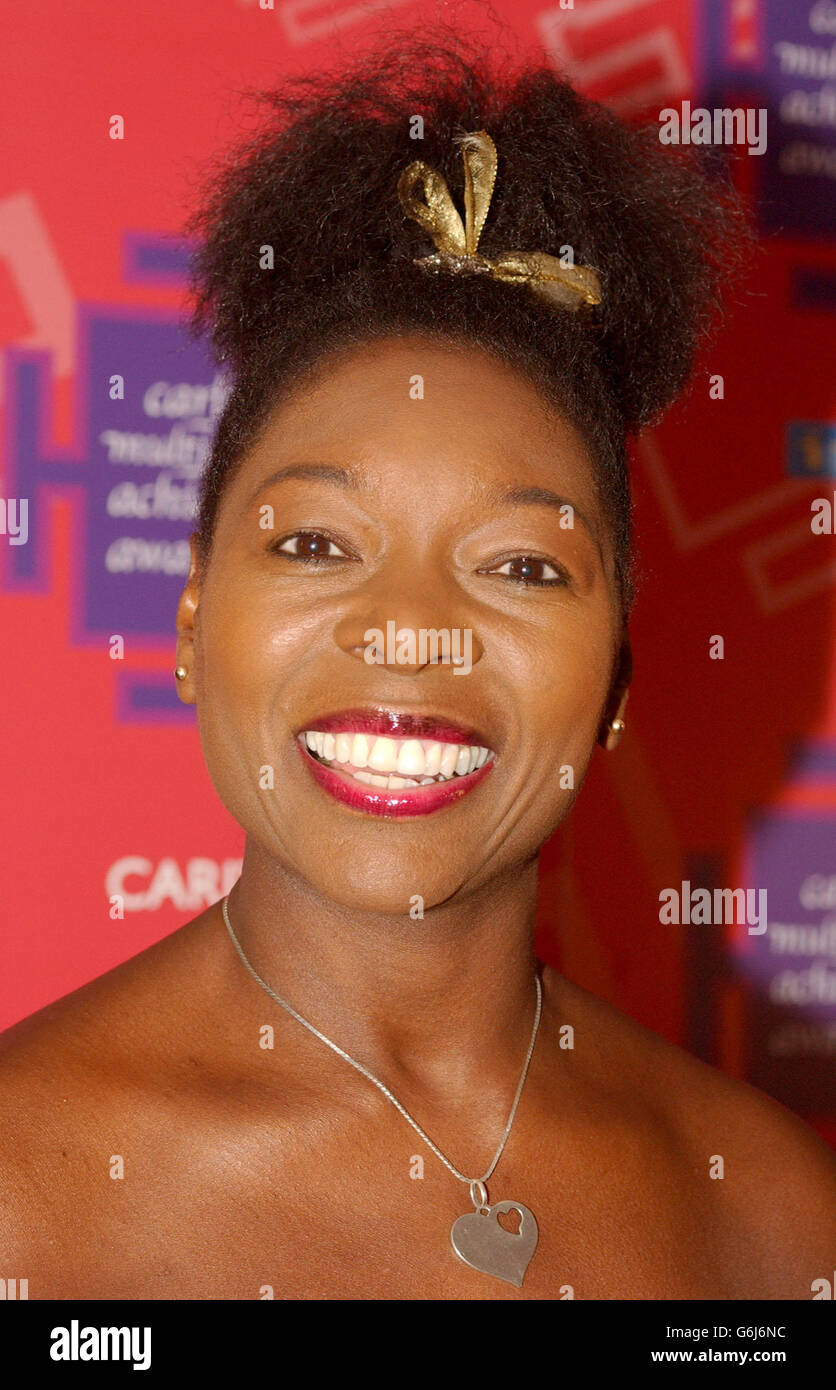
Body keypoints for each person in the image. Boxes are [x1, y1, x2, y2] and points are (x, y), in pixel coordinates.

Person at [1, 35, 834, 1301]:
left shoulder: (769, 1216)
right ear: (186, 626)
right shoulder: (21, 1190)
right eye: (317, 542)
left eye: (518, 565)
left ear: (612, 686)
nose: (408, 629)